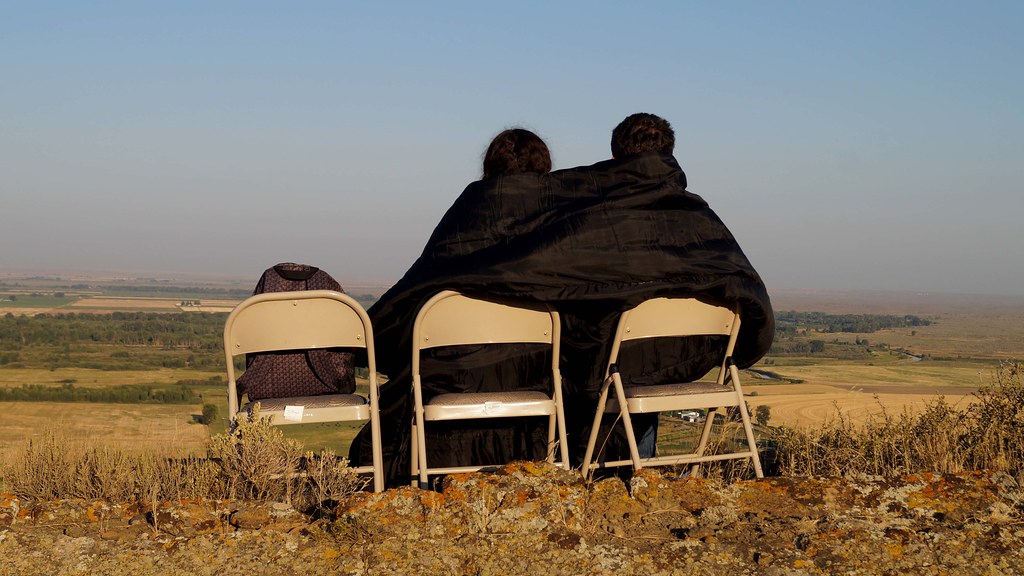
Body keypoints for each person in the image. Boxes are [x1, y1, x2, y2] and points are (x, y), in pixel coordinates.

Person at [351, 116, 774, 486]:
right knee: (618, 361)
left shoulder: (480, 222)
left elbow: (417, 294)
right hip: (678, 354)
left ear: (613, 154)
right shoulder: (695, 217)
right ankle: (632, 472)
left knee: (607, 361)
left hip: (465, 369)